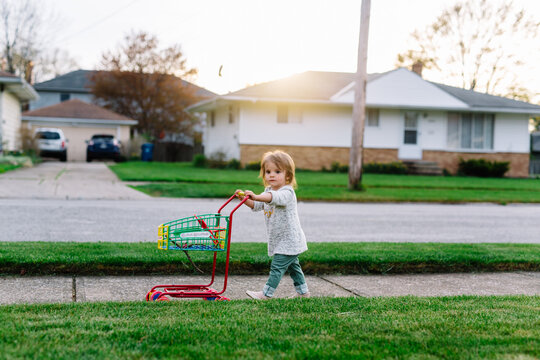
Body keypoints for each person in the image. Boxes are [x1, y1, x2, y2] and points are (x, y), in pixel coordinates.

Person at [236, 150, 310, 300]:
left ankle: (266, 294)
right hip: (282, 240)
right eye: (268, 171)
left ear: (288, 175)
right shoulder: (268, 191)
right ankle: (303, 293)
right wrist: (245, 199)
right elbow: (257, 205)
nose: (271, 175)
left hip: (290, 239)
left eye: (277, 171)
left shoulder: (287, 193)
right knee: (294, 267)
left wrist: (256, 196)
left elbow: (274, 198)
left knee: (277, 267)